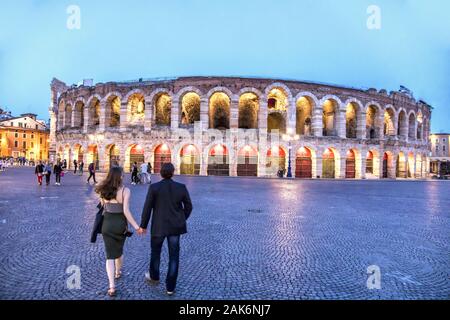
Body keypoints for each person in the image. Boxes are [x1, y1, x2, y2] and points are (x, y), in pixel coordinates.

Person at [140, 163, 193, 296]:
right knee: (174, 257)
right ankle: (170, 287)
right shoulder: (180, 187)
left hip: (158, 226)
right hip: (175, 227)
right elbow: (189, 206)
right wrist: (181, 219)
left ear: (161, 173)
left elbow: (147, 208)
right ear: (173, 173)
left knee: (155, 252)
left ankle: (154, 276)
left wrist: (143, 225)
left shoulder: (154, 188)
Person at [95, 166, 143, 297]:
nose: (123, 176)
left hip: (107, 224)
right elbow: (126, 211)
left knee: (109, 255)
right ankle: (118, 271)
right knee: (119, 252)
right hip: (120, 224)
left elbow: (103, 207)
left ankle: (111, 286)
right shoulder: (125, 191)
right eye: (122, 174)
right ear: (119, 176)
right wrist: (137, 227)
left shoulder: (102, 190)